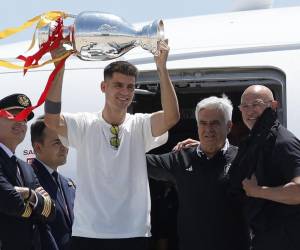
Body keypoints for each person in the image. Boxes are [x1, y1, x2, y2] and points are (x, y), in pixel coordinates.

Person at [44, 40, 180, 250]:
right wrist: (59, 68)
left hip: (133, 233)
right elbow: (51, 120)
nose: (125, 92)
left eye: (130, 87)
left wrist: (161, 67)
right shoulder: (84, 123)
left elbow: (172, 117)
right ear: (103, 87)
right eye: (118, 85)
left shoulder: (140, 125)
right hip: (89, 233)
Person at [146, 96, 250, 250]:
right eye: (203, 123)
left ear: (229, 126)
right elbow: (137, 162)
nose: (208, 129)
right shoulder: (181, 158)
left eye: (215, 123)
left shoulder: (244, 160)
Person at [229, 85, 300, 250]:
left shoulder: (283, 142)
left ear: (273, 106)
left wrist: (257, 191)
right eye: (244, 106)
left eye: (256, 104)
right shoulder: (256, 141)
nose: (250, 111)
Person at [0, 93, 56, 250]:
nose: (21, 122)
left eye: (25, 118)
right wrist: (37, 201)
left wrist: (28, 194)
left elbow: (51, 212)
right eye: (13, 115)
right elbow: (11, 202)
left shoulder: (26, 168)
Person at [30, 116, 76, 250]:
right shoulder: (28, 181)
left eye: (65, 141)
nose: (64, 147)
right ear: (38, 147)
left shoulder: (69, 184)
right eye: (57, 142)